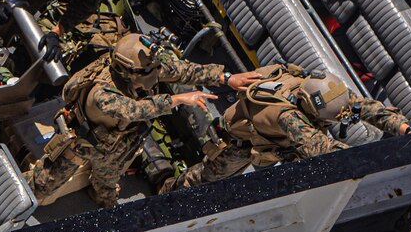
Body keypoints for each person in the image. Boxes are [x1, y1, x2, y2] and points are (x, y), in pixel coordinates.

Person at [25, 33, 261, 207]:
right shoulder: (103, 93)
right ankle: (19, 202)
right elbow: (135, 110)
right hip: (84, 142)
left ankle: (103, 197)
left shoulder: (143, 69)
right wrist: (178, 98)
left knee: (108, 178)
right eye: (151, 71)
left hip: (114, 143)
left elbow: (183, 70)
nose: (157, 74)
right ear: (129, 72)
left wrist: (225, 78)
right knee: (44, 183)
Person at [169, 63, 411, 190]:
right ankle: (168, 196)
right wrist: (376, 162)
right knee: (206, 178)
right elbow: (320, 148)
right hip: (239, 142)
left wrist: (402, 128)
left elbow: (365, 106)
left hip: (270, 140)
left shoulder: (320, 89)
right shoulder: (288, 116)